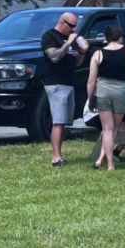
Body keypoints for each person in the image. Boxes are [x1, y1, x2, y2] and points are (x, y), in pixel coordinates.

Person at [86, 25, 125, 171]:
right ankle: (106, 162)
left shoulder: (98, 54)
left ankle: (105, 161)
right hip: (120, 89)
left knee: (107, 128)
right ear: (120, 36)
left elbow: (91, 80)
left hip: (103, 89)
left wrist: (90, 98)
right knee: (115, 128)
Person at [41, 12, 87, 167]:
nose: (74, 30)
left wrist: (81, 52)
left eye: (75, 27)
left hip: (68, 83)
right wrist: (68, 43)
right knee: (58, 121)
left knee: (65, 122)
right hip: (55, 83)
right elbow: (54, 57)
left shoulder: (69, 38)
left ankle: (59, 154)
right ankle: (56, 158)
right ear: (62, 22)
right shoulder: (49, 36)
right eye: (71, 26)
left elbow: (77, 63)